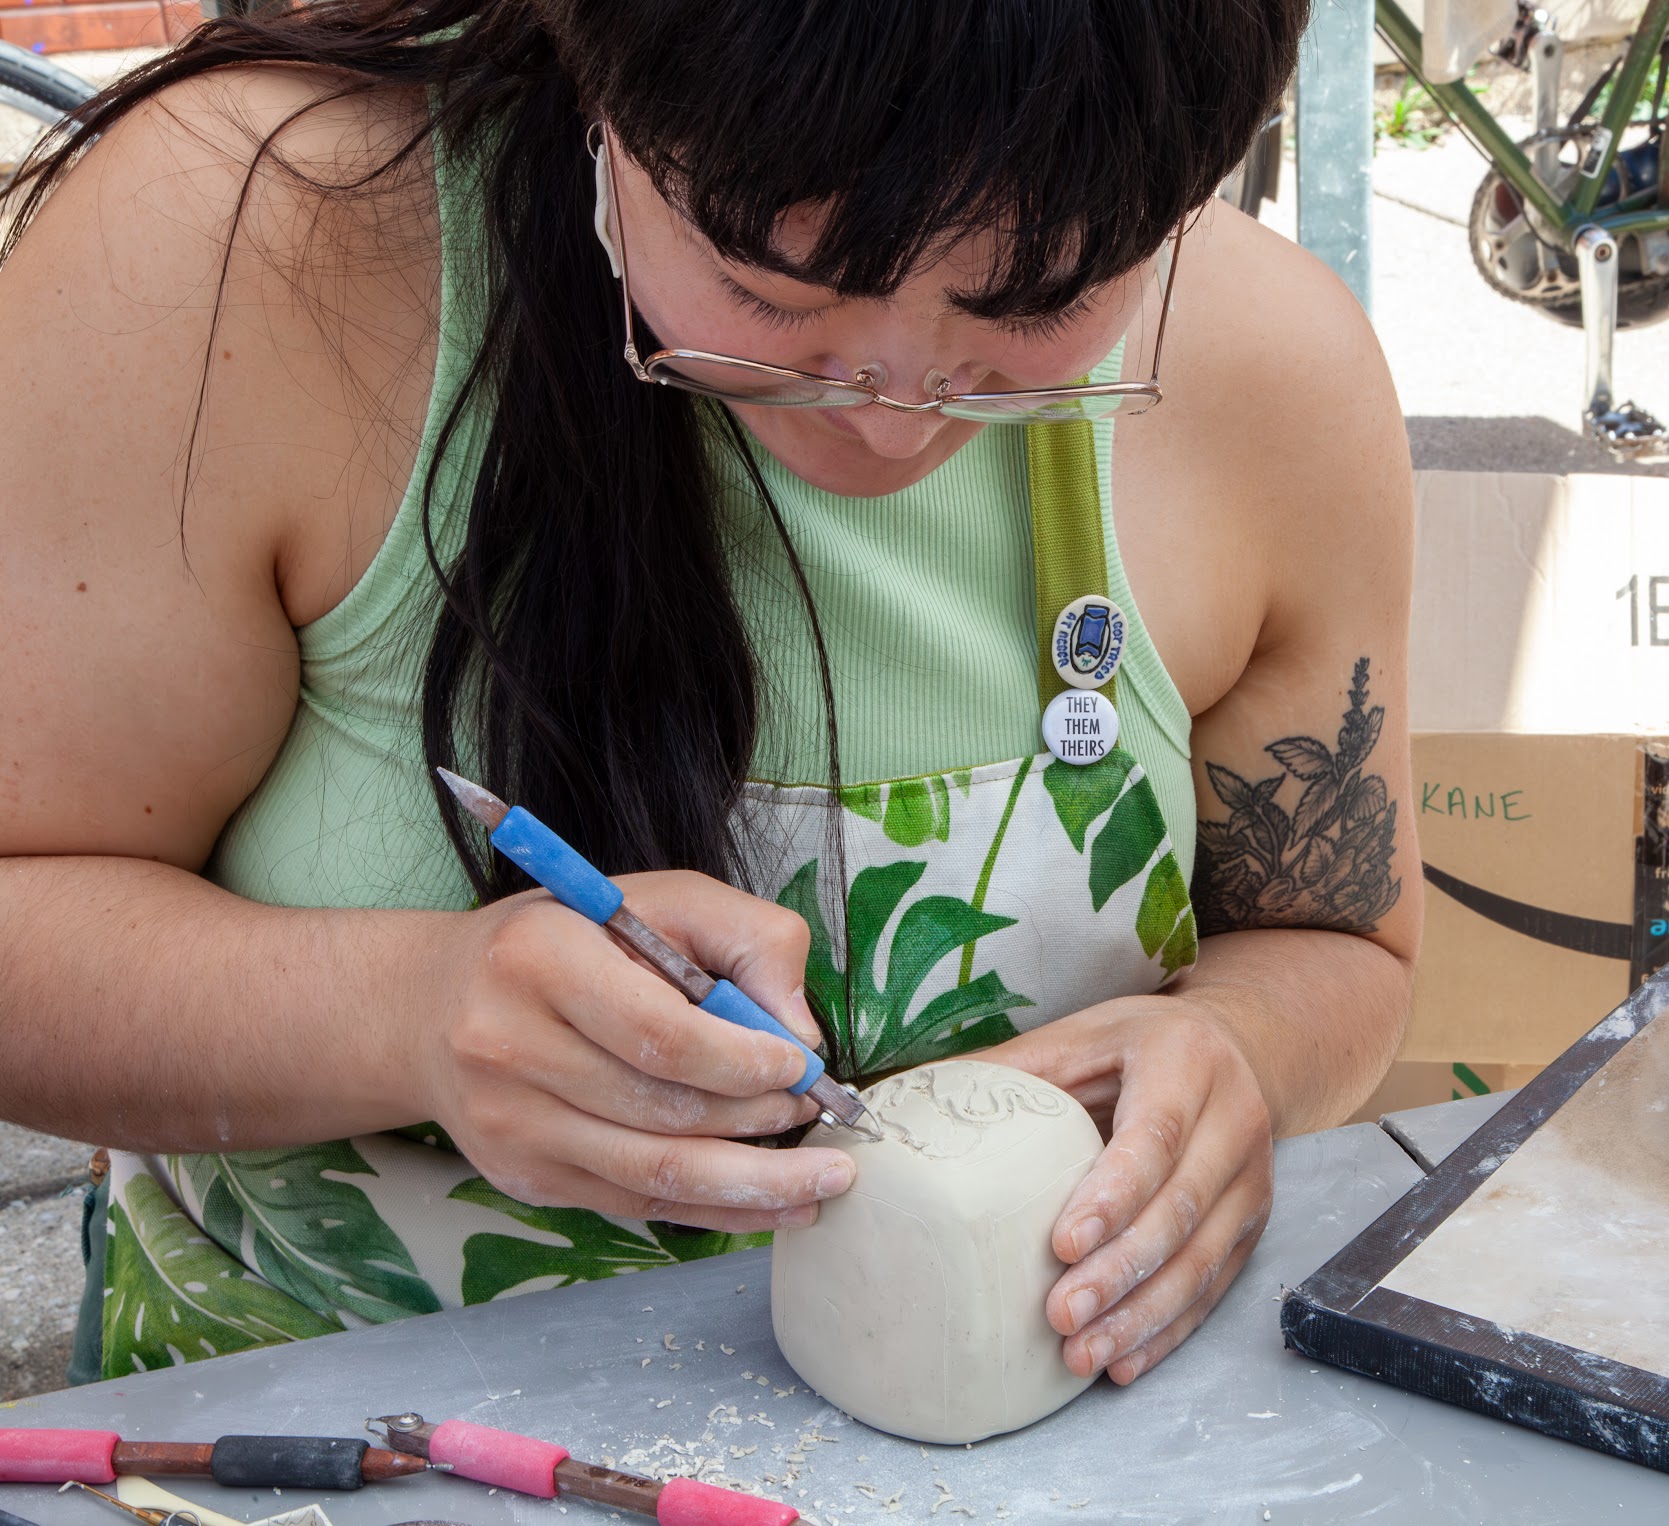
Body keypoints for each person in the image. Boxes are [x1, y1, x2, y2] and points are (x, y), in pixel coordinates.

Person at [0, 0, 1419, 1387]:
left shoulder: (1264, 364)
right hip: (326, 1450)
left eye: (1036, 301)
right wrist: (402, 1014)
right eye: (773, 289)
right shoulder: (248, 237)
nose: (889, 409)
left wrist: (1239, 1045)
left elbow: (1340, 945)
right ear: (605, 81)